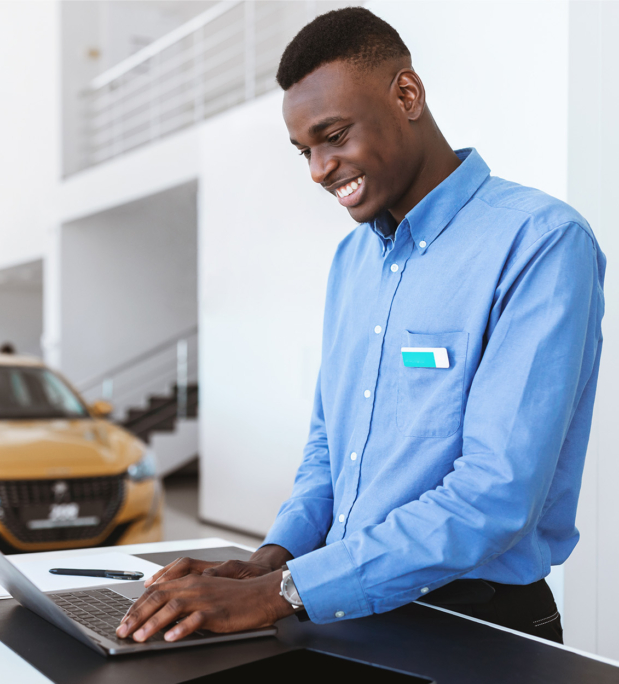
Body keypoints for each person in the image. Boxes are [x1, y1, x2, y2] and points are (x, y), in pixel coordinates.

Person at [117, 7, 604, 646]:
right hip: (342, 609)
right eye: (305, 151)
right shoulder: (353, 261)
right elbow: (329, 450)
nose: (320, 169)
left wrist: (279, 594)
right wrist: (272, 559)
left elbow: (494, 498)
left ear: (407, 94)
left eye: (335, 135)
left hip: (473, 624)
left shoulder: (540, 242)